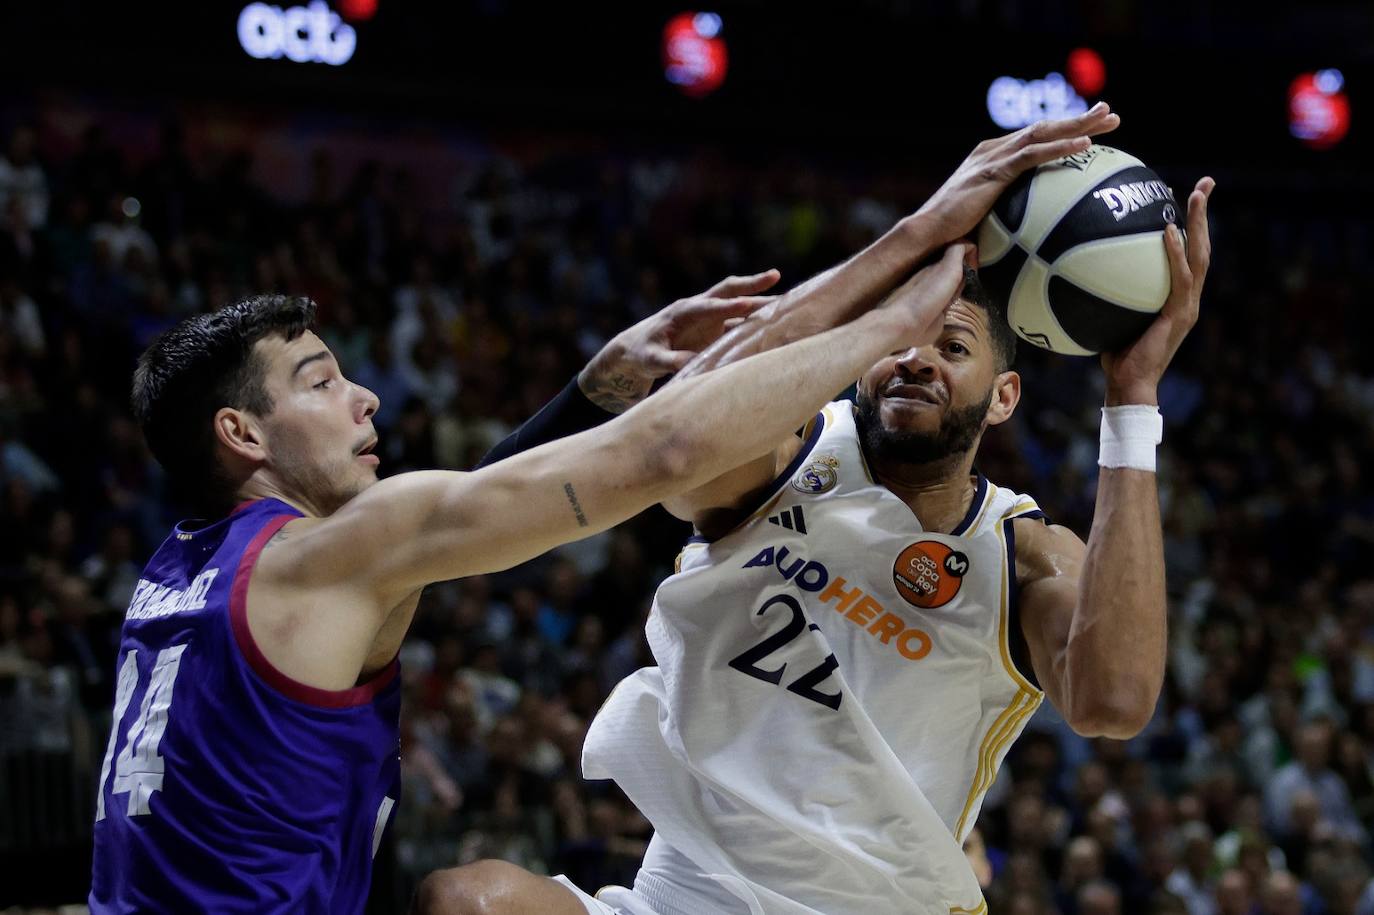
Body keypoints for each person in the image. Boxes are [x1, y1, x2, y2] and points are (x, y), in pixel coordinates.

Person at [417, 101, 1216, 914]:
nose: (916, 359)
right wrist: (918, 232)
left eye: (953, 346)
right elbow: (670, 441)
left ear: (1005, 396)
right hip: (681, 889)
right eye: (899, 337)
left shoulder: (1025, 551)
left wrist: (1131, 397)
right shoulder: (783, 454)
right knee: (463, 899)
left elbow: (1113, 702)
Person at [87, 234, 975, 910]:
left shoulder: (177, 573)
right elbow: (666, 450)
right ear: (241, 434)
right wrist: (891, 315)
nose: (364, 398)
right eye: (321, 384)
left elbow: (453, 517)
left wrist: (592, 390)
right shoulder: (317, 559)